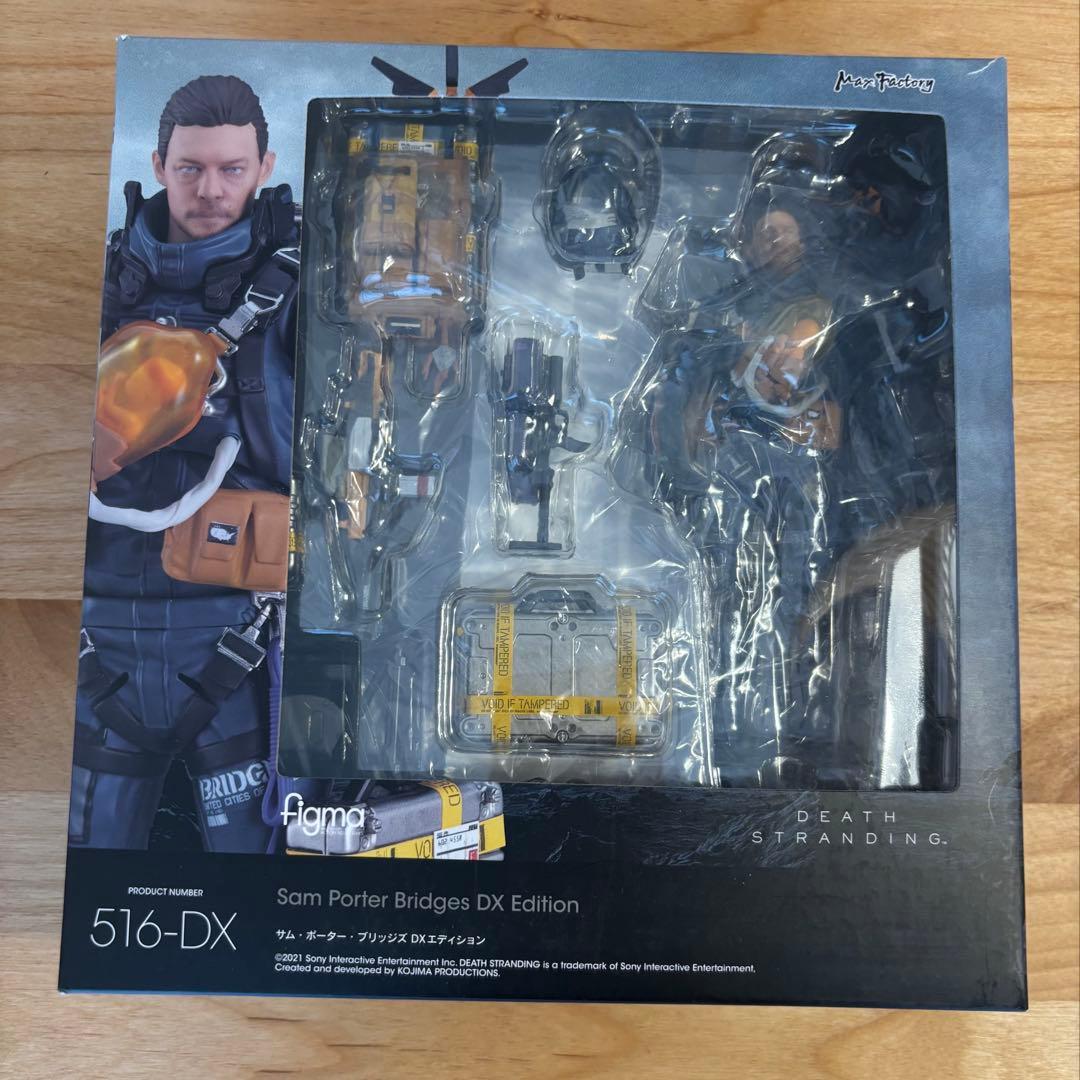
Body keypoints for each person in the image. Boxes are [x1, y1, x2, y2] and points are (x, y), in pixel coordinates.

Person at [69, 75, 299, 852]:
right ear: (158, 164)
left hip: (243, 630)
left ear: (265, 167)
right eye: (190, 167)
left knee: (262, 884)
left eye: (233, 169)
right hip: (96, 637)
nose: (211, 190)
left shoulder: (310, 292)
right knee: (79, 879)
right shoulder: (93, 284)